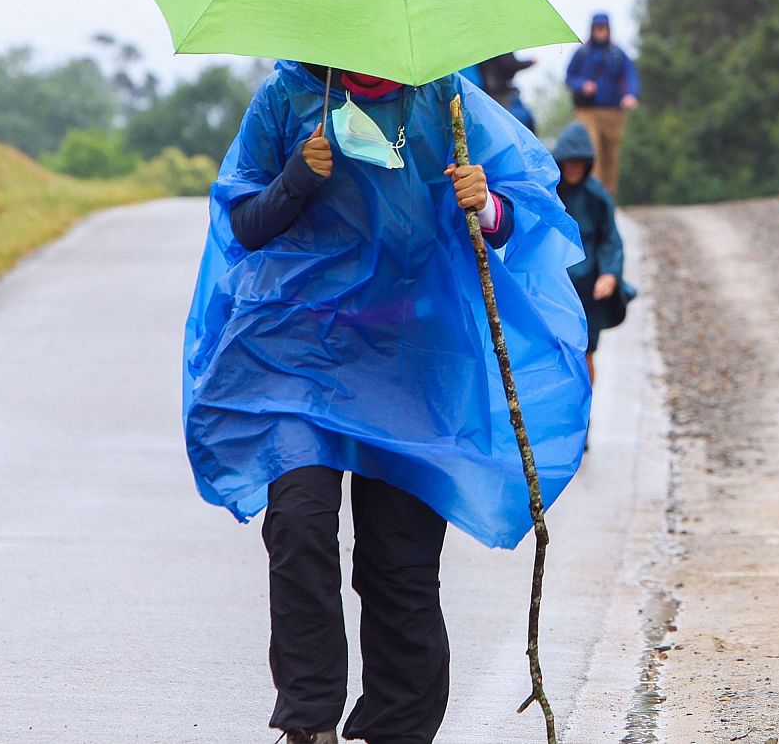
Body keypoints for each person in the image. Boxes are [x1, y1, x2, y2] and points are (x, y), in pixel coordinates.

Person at [183, 61, 591, 744]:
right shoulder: (289, 99)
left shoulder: (447, 100)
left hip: (414, 359)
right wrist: (294, 181)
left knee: (397, 564)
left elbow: (523, 218)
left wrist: (485, 204)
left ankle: (396, 731)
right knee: (300, 529)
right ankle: (307, 722)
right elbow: (246, 226)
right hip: (298, 357)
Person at [550, 120, 633, 381]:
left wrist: (610, 274)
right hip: (554, 285)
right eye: (569, 161)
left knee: (585, 353)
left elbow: (611, 238)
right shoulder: (547, 191)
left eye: (580, 162)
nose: (574, 167)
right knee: (552, 351)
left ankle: (584, 413)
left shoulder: (597, 196)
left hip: (588, 289)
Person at [564, 11, 639, 192]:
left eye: (603, 28)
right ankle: (593, 192)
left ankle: (608, 195)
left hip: (613, 111)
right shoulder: (582, 53)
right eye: (597, 28)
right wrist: (583, 85)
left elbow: (630, 75)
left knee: (611, 154)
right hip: (587, 110)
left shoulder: (617, 53)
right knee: (592, 151)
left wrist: (631, 94)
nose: (600, 32)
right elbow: (569, 77)